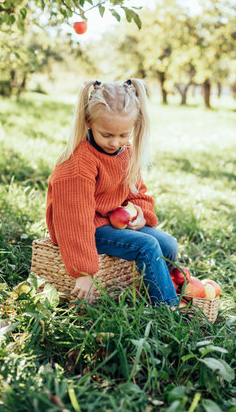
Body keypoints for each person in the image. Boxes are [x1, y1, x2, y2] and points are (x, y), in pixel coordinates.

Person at [46, 79, 179, 307]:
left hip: (111, 221)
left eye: (124, 135)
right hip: (85, 227)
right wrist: (83, 272)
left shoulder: (125, 152)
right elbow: (74, 220)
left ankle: (160, 287)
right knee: (146, 246)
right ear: (88, 121)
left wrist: (140, 214)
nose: (115, 142)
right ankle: (168, 309)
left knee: (168, 243)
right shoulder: (78, 164)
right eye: (107, 135)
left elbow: (137, 191)